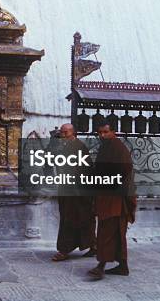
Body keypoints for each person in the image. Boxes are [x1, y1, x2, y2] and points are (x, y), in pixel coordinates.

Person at [87, 120, 136, 280]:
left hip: (115, 199)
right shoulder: (106, 147)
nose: (102, 135)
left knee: (107, 233)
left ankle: (100, 266)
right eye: (100, 132)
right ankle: (123, 266)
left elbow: (125, 170)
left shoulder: (118, 148)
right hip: (107, 197)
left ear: (114, 132)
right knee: (115, 233)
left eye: (105, 132)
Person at [51, 123, 97, 262]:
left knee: (71, 220)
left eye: (65, 133)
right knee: (81, 219)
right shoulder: (67, 146)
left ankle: (64, 250)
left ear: (73, 133)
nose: (63, 135)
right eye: (62, 133)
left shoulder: (78, 147)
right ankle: (93, 245)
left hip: (76, 192)